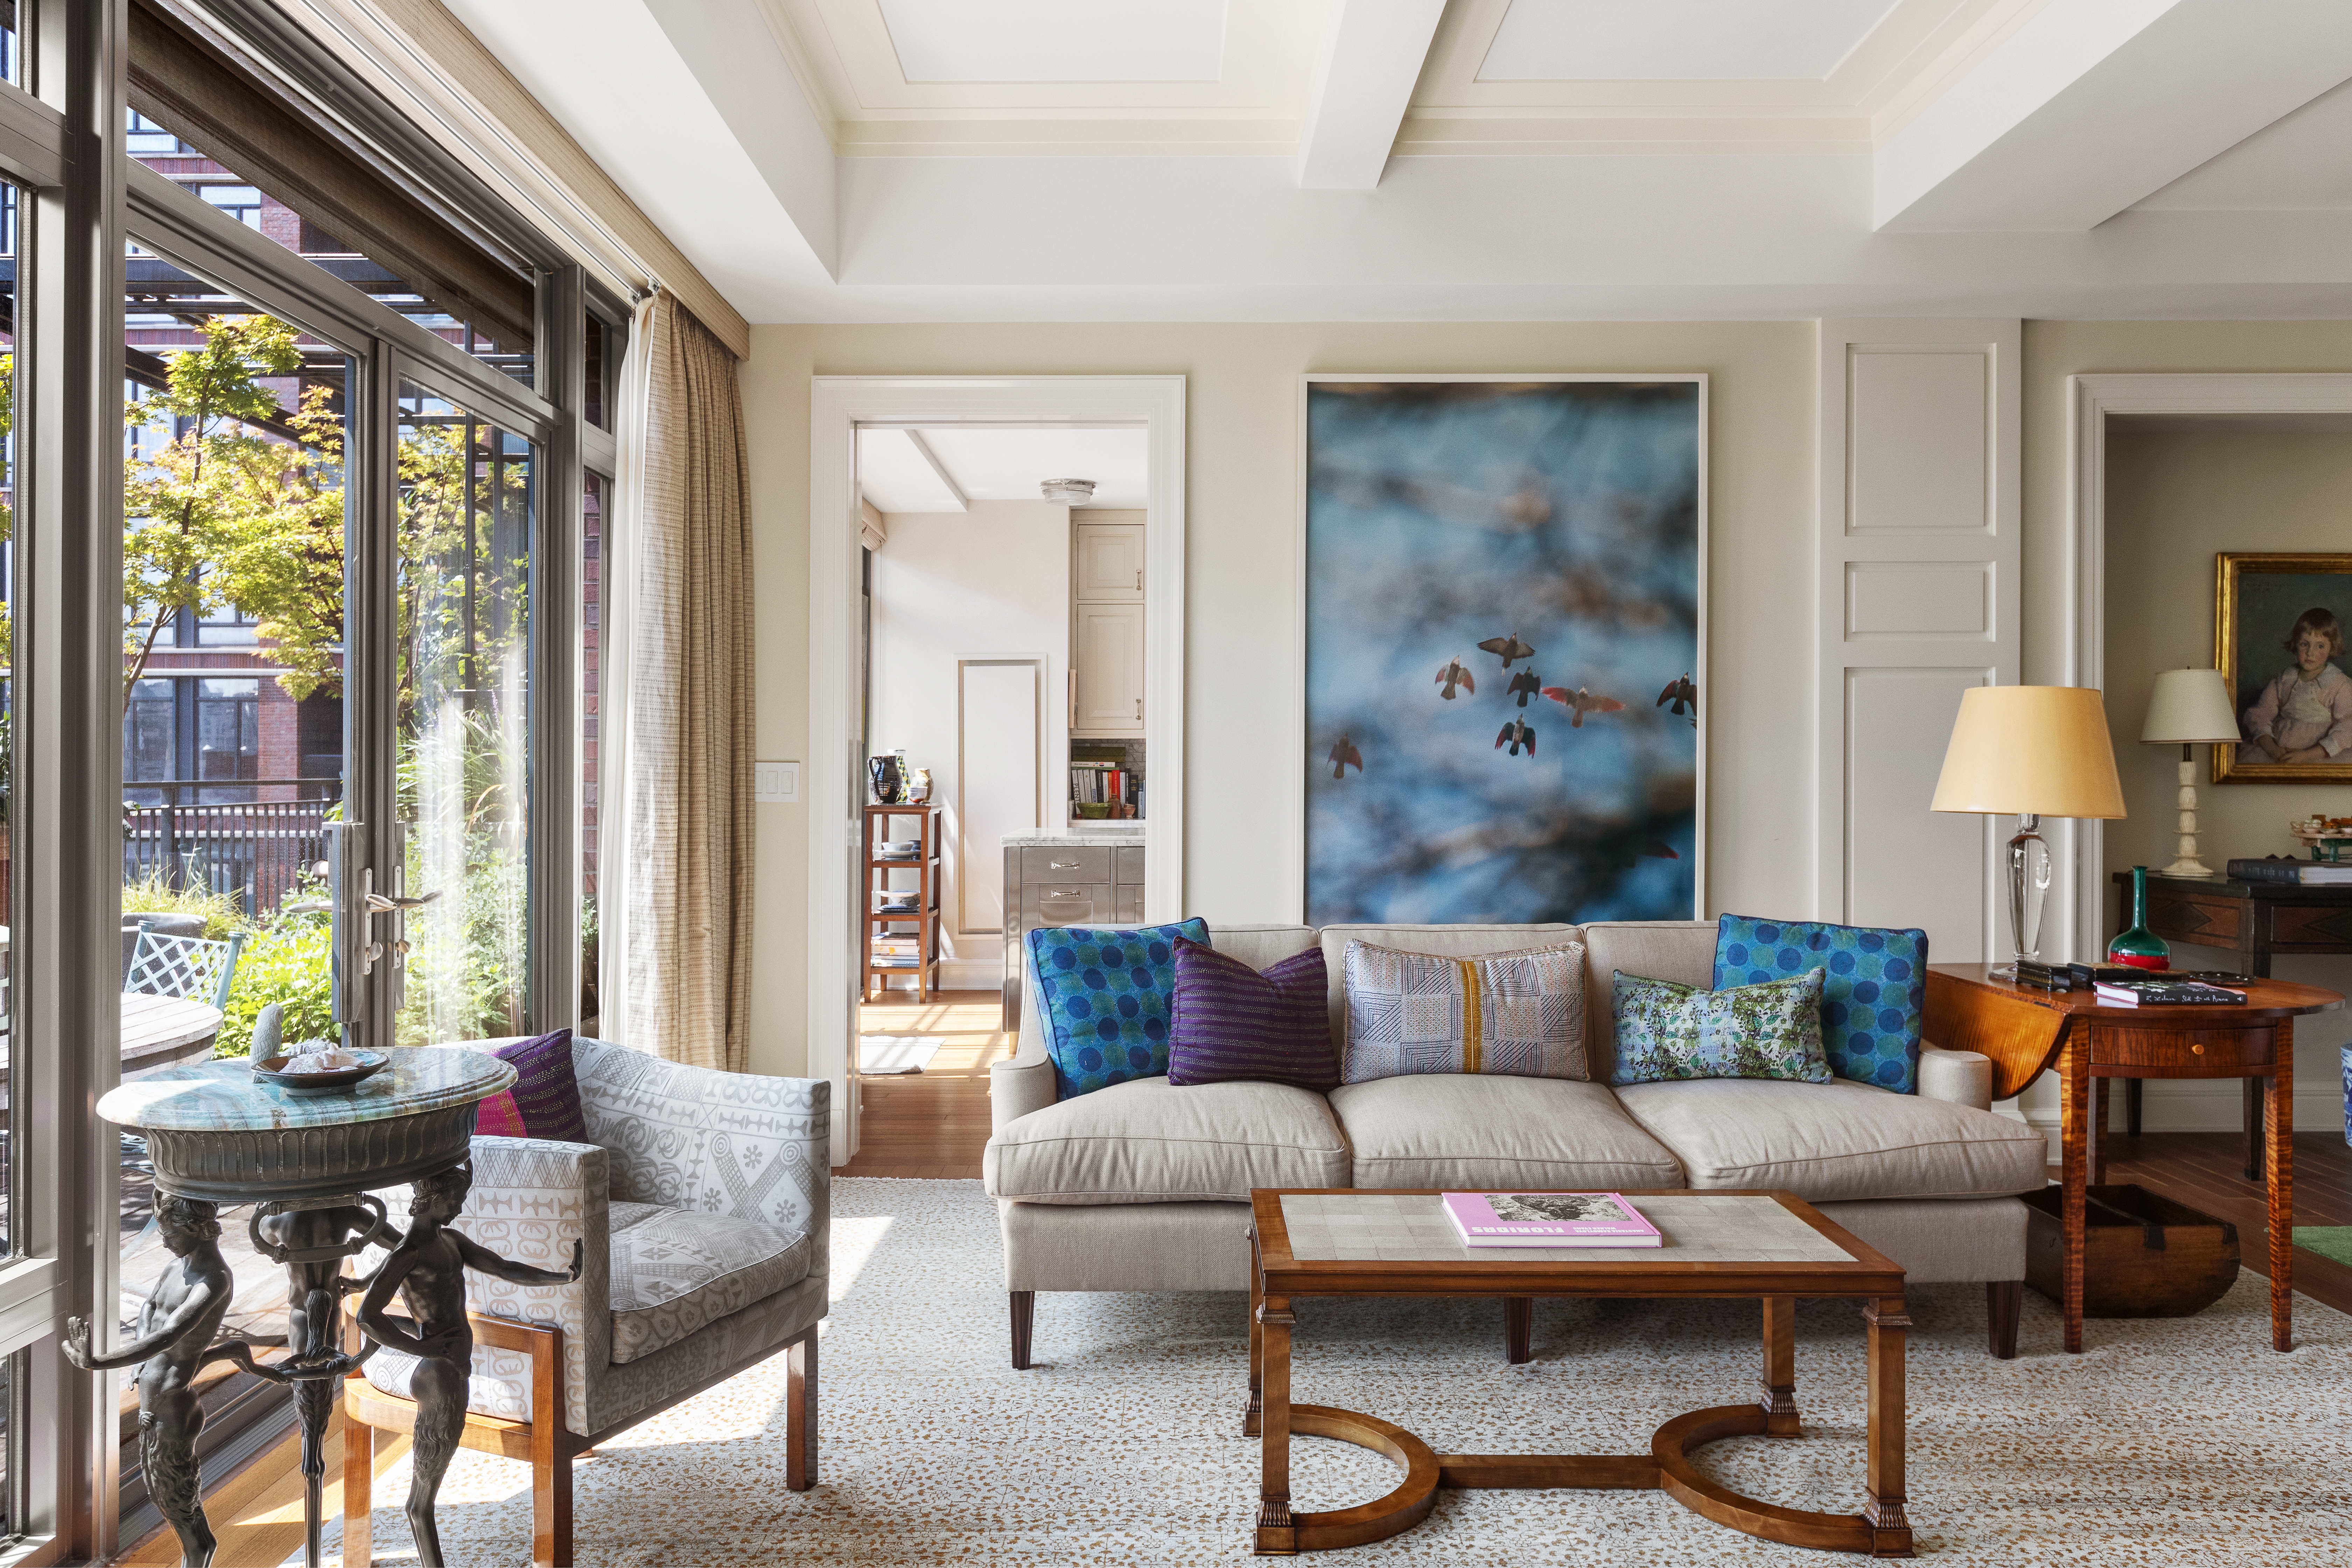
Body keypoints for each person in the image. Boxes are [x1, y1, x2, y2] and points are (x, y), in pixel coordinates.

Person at [357, 1164, 582, 1568]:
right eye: (454, 1200)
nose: (459, 1208)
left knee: (432, 1478)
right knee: (424, 1494)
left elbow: (503, 1267)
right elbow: (367, 1317)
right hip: (439, 1374)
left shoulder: (451, 1241)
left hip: (456, 1366)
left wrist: (560, 1277)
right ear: (430, 1199)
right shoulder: (407, 1254)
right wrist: (418, 1347)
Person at [64, 1197, 238, 1568]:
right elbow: (150, 1308)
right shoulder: (178, 1266)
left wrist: (99, 1362)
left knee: (176, 1501)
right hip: (155, 1403)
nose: (163, 1241)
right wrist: (139, 1362)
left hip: (172, 1407)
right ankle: (197, 1552)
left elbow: (171, 1333)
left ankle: (197, 1556)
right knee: (170, 1501)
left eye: (170, 1233)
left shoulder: (214, 1279)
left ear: (194, 1230)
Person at [2241, 606, 2352, 764]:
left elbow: (2348, 727)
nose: (2311, 653)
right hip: (2280, 748)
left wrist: (2307, 756)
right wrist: (2273, 749)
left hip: (2319, 754)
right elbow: (2260, 715)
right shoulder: (2285, 679)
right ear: (2296, 644)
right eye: (2305, 644)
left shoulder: (2339, 684)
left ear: (2331, 648)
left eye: (2320, 646)